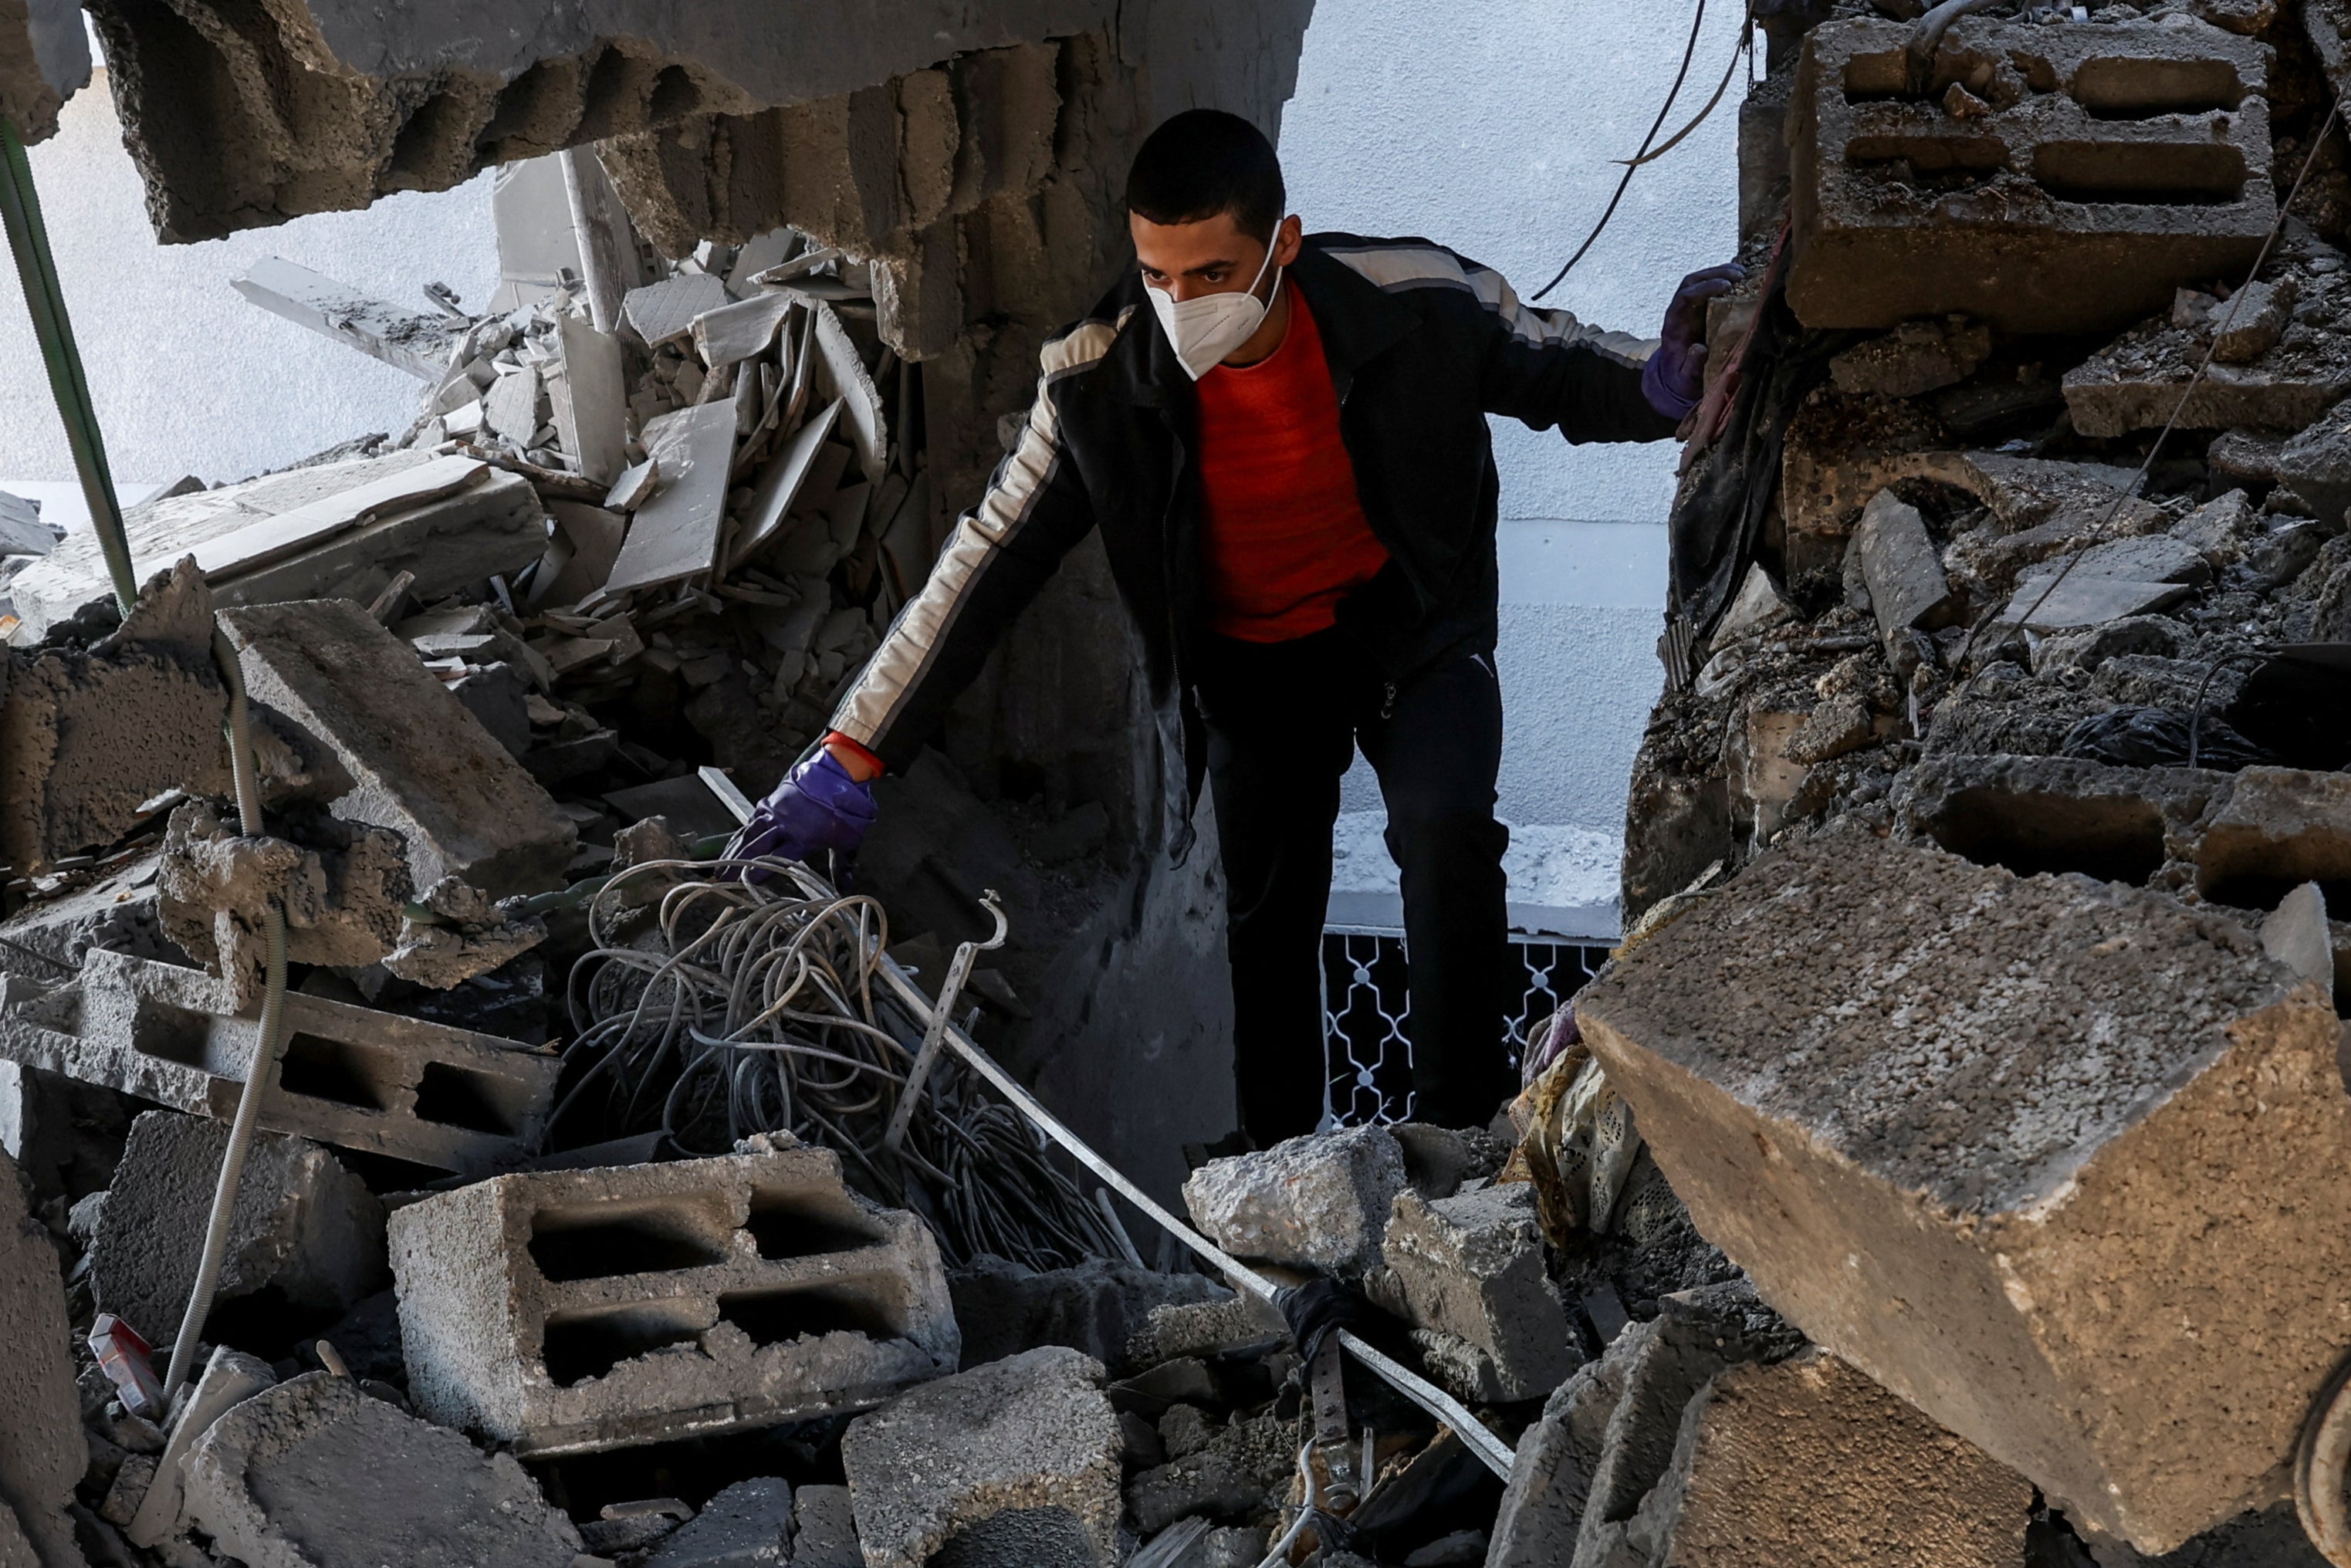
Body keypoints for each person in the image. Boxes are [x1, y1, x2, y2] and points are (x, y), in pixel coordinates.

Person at [729, 108, 1740, 1144]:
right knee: (1268, 920)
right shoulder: (1095, 377)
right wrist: (850, 754)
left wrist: (1662, 383)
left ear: (1282, 247)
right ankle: (1280, 1160)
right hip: (1255, 669)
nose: (1179, 304)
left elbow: (1554, 364)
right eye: (1156, 275)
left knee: (1444, 838)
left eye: (1210, 274)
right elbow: (986, 560)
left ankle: (1460, 1136)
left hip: (1409, 631)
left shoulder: (1413, 295)